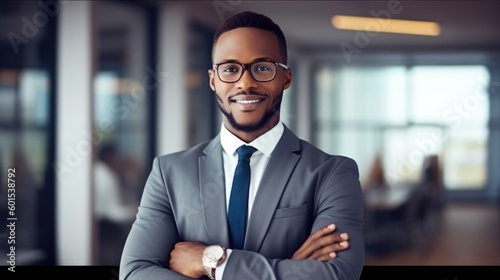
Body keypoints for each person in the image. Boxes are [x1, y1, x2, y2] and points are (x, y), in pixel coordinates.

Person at [120, 11, 365, 280]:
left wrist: (213, 262)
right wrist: (288, 268)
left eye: (262, 68)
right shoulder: (169, 173)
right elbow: (135, 272)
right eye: (230, 69)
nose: (245, 83)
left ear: (286, 78)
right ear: (213, 80)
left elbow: (337, 274)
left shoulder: (332, 172)